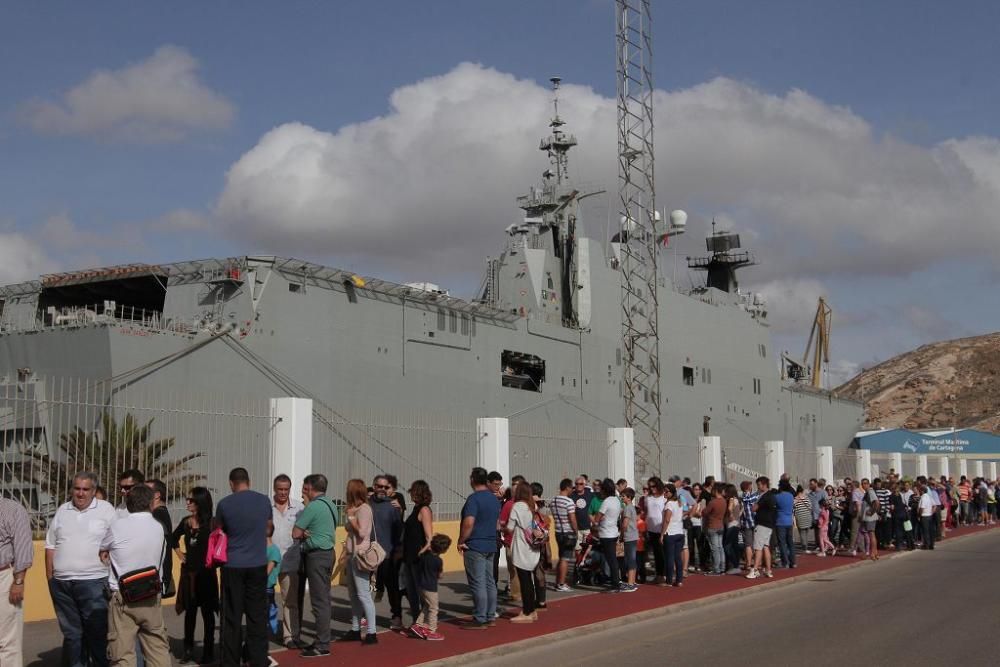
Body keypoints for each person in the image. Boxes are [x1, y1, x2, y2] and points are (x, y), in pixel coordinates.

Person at [46, 471, 116, 667]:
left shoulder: (106, 510)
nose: (81, 493)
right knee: (72, 635)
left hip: (93, 583)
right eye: (77, 488)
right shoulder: (63, 510)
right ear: (71, 490)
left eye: (86, 489)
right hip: (62, 585)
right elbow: (50, 545)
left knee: (97, 633)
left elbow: (118, 541)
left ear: (94, 491)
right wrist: (51, 579)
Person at [101, 484, 171, 667]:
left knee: (122, 653)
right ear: (150, 503)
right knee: (157, 649)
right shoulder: (159, 527)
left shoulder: (116, 526)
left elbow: (103, 550)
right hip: (151, 593)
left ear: (128, 503)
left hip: (123, 596)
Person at [215, 467, 273, 666]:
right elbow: (268, 528)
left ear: (232, 483)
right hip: (257, 564)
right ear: (248, 481)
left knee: (231, 616)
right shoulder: (264, 500)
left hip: (232, 565)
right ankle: (258, 659)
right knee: (257, 615)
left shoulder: (224, 504)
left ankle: (230, 661)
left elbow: (218, 531)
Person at [292, 473, 338, 658]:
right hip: (329, 553)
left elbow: (295, 533)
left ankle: (322, 644)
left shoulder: (313, 507)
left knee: (319, 601)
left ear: (310, 488)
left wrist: (304, 534)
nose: (303, 491)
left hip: (316, 555)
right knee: (324, 598)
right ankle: (322, 638)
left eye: (304, 488)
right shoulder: (331, 504)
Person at [171, 486, 218, 665]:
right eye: (187, 499)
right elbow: (172, 538)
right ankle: (188, 649)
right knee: (190, 613)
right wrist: (180, 554)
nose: (187, 503)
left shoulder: (213, 523)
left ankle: (208, 651)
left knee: (208, 615)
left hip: (206, 575)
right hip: (189, 575)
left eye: (191, 500)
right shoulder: (185, 522)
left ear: (200, 503)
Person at [457, 467, 501, 629]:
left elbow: (469, 522)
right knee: (490, 582)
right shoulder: (493, 499)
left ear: (473, 480)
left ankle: (480, 617)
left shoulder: (473, 499)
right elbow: (497, 523)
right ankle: (490, 615)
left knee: (478, 582)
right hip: (490, 543)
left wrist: (461, 540)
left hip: (475, 544)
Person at [270, 474, 304, 649]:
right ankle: (261, 634)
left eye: (286, 489)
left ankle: (291, 636)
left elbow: (305, 529)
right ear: (274, 489)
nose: (283, 493)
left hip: (291, 561)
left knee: (290, 600)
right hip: (269, 563)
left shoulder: (299, 507)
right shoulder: (266, 507)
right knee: (263, 600)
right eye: (280, 489)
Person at [342, 479, 378, 645]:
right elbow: (348, 530)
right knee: (353, 595)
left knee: (364, 594)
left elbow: (362, 532)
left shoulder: (364, 509)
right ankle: (356, 629)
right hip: (351, 554)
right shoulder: (355, 509)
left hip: (360, 555)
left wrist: (351, 518)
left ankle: (372, 632)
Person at [370, 474, 405, 631]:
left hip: (388, 554)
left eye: (385, 487)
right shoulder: (366, 504)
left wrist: (397, 550)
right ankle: (363, 617)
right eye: (379, 486)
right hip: (367, 553)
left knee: (392, 587)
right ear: (374, 486)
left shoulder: (393, 507)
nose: (382, 489)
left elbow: (399, 531)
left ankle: (397, 616)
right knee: (364, 587)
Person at [505, 481, 542, 621]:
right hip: (532, 546)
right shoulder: (532, 505)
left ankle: (527, 612)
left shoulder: (517, 506)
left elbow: (510, 527)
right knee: (529, 579)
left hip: (522, 545)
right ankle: (531, 610)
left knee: (524, 579)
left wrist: (501, 526)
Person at [402, 480, 434, 630]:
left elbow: (429, 538)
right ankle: (417, 621)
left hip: (418, 558)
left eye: (414, 492)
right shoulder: (415, 509)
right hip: (408, 556)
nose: (411, 494)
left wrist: (421, 552)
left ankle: (424, 622)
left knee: (421, 593)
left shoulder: (424, 510)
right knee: (412, 591)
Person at [411, 534, 451, 641]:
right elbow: (440, 575)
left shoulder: (425, 556)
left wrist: (425, 548)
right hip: (431, 588)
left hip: (421, 586)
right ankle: (432, 631)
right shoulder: (438, 561)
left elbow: (419, 556)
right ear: (444, 550)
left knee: (427, 606)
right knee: (434, 608)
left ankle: (418, 624)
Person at [593, 478, 625, 592]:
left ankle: (615, 584)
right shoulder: (616, 500)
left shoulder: (606, 501)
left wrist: (595, 523)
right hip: (614, 531)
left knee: (611, 559)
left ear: (604, 490)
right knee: (612, 559)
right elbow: (620, 512)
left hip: (606, 533)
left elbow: (597, 518)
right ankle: (616, 581)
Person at [145, 479, 174, 602]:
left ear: (157, 495)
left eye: (146, 490)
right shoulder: (160, 513)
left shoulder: (157, 515)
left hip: (154, 575)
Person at [550, 479, 578, 591]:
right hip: (568, 532)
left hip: (558, 531)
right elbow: (572, 518)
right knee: (565, 558)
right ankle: (561, 583)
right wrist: (576, 530)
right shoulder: (569, 502)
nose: (572, 490)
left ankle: (558, 581)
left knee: (561, 557)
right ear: (567, 488)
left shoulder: (554, 501)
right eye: (572, 488)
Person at [746, 477, 777, 580]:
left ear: (764, 485)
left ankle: (755, 570)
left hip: (762, 524)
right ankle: (768, 570)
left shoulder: (764, 496)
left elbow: (754, 508)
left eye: (759, 485)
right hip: (769, 525)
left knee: (758, 547)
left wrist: (755, 502)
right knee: (765, 547)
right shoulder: (771, 496)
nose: (757, 487)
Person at [643, 477, 667, 584]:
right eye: (650, 487)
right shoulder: (648, 498)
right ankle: (659, 574)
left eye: (654, 486)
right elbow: (646, 512)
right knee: (656, 554)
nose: (652, 489)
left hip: (661, 529)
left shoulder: (664, 498)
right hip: (651, 529)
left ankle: (664, 575)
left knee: (662, 553)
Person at [661, 483, 685, 587]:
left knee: (669, 558)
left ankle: (669, 581)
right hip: (679, 532)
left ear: (671, 492)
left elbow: (667, 520)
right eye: (664, 491)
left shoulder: (669, 504)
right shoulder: (679, 502)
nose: (665, 493)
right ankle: (679, 580)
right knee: (677, 557)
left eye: (667, 491)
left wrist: (662, 534)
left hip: (670, 533)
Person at [702, 485, 726, 575]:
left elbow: (705, 512)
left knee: (714, 549)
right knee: (720, 547)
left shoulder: (713, 502)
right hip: (720, 525)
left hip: (712, 526)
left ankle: (716, 569)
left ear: (716, 491)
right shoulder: (724, 501)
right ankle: (722, 567)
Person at [620, 488, 639, 590]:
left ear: (629, 497)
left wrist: (621, 535)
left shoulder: (627, 508)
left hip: (629, 536)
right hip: (634, 536)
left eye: (623, 496)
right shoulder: (631, 507)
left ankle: (630, 583)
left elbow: (625, 524)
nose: (622, 498)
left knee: (630, 559)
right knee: (632, 558)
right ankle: (633, 581)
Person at [774, 479, 796, 569]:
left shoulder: (777, 496)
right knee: (790, 542)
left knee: (782, 543)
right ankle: (793, 562)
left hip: (780, 521)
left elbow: (774, 507)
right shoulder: (791, 496)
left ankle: (785, 562)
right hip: (789, 521)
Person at [722, 484, 742, 574]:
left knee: (727, 546)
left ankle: (735, 565)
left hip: (732, 525)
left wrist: (730, 515)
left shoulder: (731, 499)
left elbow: (730, 509)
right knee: (734, 546)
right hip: (737, 524)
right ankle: (736, 565)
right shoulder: (737, 500)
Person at [569, 477, 594, 548]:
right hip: (577, 529)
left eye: (581, 484)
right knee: (577, 549)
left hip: (588, 528)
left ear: (584, 485)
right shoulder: (571, 495)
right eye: (577, 484)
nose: (578, 485)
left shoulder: (590, 494)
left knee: (588, 549)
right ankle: (579, 559)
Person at [739, 480, 758, 572]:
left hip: (746, 523)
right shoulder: (754, 496)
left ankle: (748, 563)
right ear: (748, 487)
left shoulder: (742, 497)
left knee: (748, 544)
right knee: (755, 544)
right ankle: (756, 562)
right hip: (755, 522)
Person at [808, 479, 828, 551]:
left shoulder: (823, 492)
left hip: (822, 516)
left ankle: (824, 546)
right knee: (816, 531)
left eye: (812, 484)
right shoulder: (810, 494)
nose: (810, 486)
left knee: (822, 532)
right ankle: (818, 545)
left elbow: (826, 502)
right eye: (810, 484)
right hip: (814, 515)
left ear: (816, 484)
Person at [793, 485, 813, 554]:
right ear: (802, 491)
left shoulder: (795, 499)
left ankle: (804, 547)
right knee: (806, 533)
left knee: (802, 533)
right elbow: (810, 507)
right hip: (807, 517)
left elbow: (793, 509)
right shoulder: (806, 498)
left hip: (800, 517)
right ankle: (806, 547)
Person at [918, 482, 936, 550]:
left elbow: (922, 508)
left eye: (920, 490)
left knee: (925, 531)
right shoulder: (929, 497)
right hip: (929, 516)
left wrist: (919, 515)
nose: (919, 492)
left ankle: (926, 545)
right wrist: (931, 512)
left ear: (922, 491)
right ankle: (931, 544)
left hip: (924, 516)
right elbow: (934, 506)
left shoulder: (923, 498)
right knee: (930, 531)